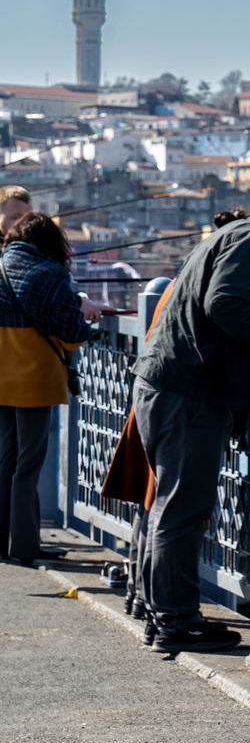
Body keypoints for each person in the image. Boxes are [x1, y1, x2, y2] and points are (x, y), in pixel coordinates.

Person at [130, 186, 250, 653]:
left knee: (167, 506)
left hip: (168, 383)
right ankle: (176, 621)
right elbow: (226, 304)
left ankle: (160, 612)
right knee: (181, 510)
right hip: (190, 392)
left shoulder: (235, 233)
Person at [0, 212, 100, 563]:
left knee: (4, 461)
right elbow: (72, 336)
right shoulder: (51, 274)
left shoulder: (1, 264)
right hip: (34, 381)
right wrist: (85, 315)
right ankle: (25, 547)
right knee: (27, 465)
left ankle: (3, 542)